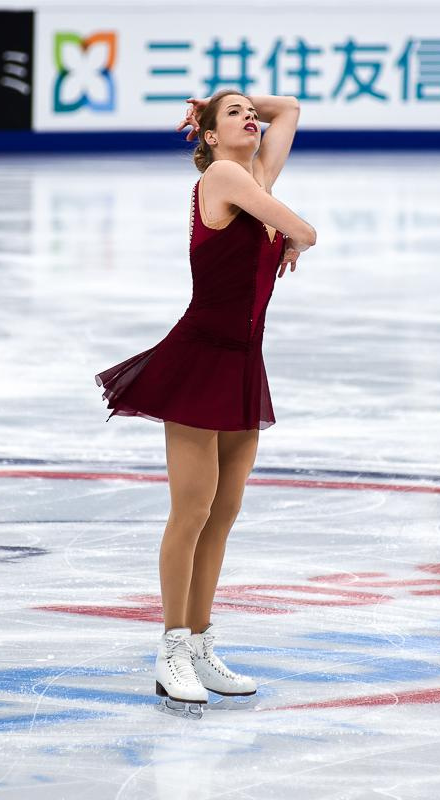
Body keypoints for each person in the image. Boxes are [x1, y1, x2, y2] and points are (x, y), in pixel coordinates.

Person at [94, 90, 316, 718]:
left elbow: (290, 108)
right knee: (191, 510)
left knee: (224, 512)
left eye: (252, 113)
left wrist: (216, 99)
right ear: (211, 138)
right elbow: (305, 229)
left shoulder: (255, 177)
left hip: (245, 361)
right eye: (235, 115)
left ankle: (198, 641)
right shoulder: (224, 176)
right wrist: (297, 240)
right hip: (200, 358)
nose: (253, 118)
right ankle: (169, 651)